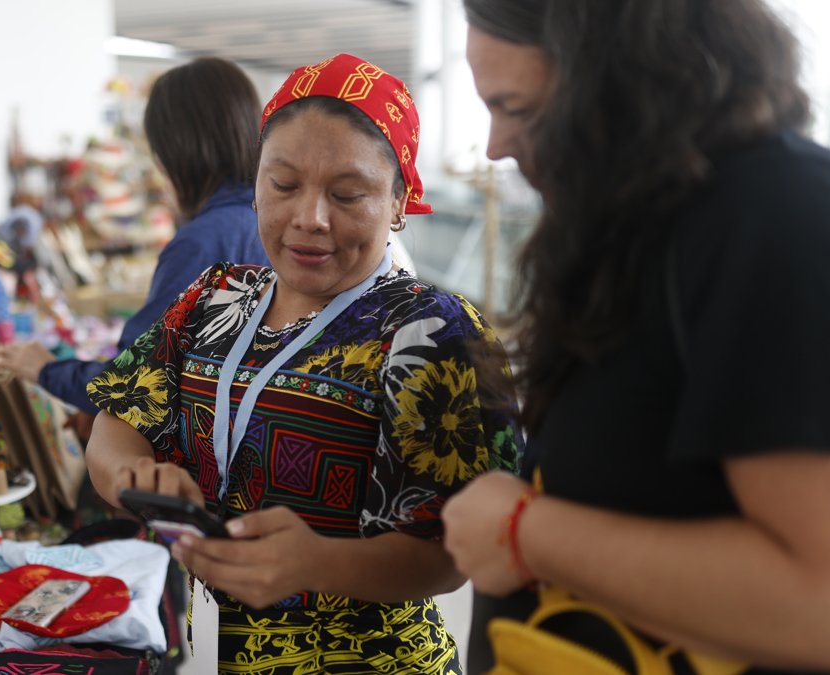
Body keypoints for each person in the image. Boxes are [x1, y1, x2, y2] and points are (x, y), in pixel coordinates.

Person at [84, 53, 522, 673]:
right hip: (213, 649)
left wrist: (315, 561)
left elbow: (453, 554)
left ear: (399, 201)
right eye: (283, 185)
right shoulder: (215, 297)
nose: (309, 218)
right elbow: (117, 419)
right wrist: (136, 478)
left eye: (348, 194)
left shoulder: (432, 332)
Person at [440, 1, 830, 672]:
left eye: (519, 109)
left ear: (622, 81)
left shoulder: (775, 213)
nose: (494, 145)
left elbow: (821, 601)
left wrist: (522, 531)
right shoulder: (643, 227)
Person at [0, 57, 269, 417]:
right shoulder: (265, 219)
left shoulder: (202, 241)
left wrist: (46, 369)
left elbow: (134, 382)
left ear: (177, 152)